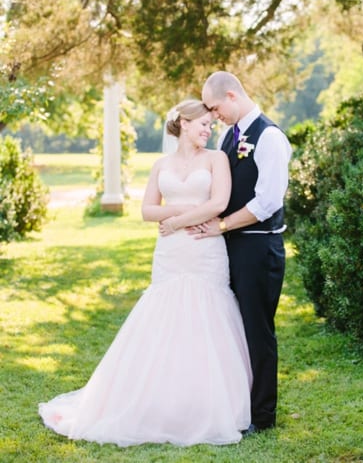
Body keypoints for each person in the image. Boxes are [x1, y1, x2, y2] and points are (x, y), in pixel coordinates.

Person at [39, 99, 251, 446]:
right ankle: (158, 402)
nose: (208, 130)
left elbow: (219, 204)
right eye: (203, 125)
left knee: (206, 317)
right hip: (170, 253)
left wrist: (177, 220)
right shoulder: (160, 165)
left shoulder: (217, 159)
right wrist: (182, 212)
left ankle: (203, 405)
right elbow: (147, 210)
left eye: (212, 126)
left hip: (203, 249)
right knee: (163, 319)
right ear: (184, 122)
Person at [195, 71, 292, 433]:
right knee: (230, 327)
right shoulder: (227, 136)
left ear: (232, 96)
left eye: (215, 107)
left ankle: (263, 416)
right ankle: (236, 405)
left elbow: (267, 201)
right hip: (230, 247)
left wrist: (220, 225)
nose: (214, 114)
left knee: (257, 331)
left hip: (258, 248)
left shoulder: (269, 137)